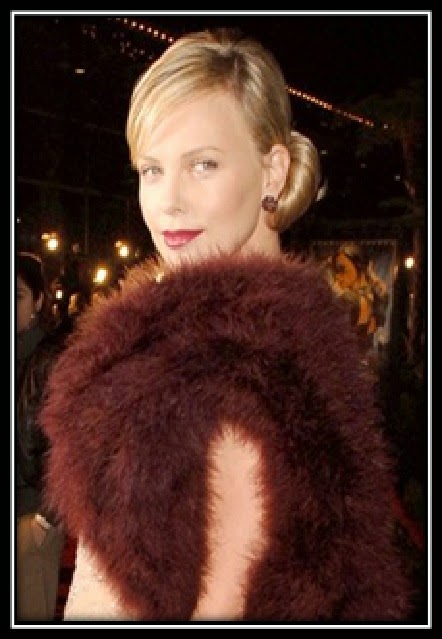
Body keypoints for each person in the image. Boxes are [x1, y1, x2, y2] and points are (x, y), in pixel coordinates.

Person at [39, 29, 413, 624]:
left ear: (273, 171)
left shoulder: (213, 370)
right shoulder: (296, 340)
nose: (168, 200)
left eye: (203, 164)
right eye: (152, 169)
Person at [15, 252, 66, 621]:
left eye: (17, 295)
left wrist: (47, 517)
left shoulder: (51, 357)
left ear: (38, 300)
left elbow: (71, 441)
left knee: (32, 612)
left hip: (31, 513)